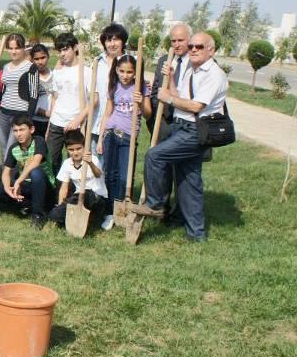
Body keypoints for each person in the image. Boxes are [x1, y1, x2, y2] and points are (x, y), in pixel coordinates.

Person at [131, 32, 228, 242]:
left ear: (211, 50)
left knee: (154, 156)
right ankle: (196, 234)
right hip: (181, 126)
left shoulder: (214, 74)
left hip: (195, 131)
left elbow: (196, 105)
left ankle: (154, 203)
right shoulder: (192, 70)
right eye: (191, 46)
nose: (193, 49)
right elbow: (180, 95)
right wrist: (171, 79)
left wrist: (168, 99)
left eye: (199, 47)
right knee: (189, 183)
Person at [96, 54, 151, 230]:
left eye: (130, 72)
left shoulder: (141, 87)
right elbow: (107, 113)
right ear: (117, 71)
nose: (125, 75)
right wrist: (101, 136)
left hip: (129, 136)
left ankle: (121, 209)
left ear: (136, 72)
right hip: (111, 133)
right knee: (110, 173)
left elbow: (148, 114)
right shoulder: (114, 86)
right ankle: (110, 211)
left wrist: (141, 102)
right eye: (122, 71)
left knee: (124, 176)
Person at [147, 24, 192, 225]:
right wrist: (159, 111)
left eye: (180, 40)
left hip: (186, 123)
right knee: (160, 166)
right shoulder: (165, 60)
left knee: (183, 171)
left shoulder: (195, 63)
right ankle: (160, 209)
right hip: (165, 121)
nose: (176, 44)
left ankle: (180, 213)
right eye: (173, 41)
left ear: (189, 40)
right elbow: (157, 87)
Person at [0, 115, 54, 228]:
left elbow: (35, 162)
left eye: (22, 129)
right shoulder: (14, 148)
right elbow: (6, 172)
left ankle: (38, 215)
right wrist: (8, 188)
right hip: (27, 185)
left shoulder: (39, 141)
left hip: (44, 185)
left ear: (31, 130)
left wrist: (18, 181)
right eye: (15, 130)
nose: (18, 134)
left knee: (35, 173)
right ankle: (28, 205)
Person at [46, 33, 92, 173]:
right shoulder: (58, 72)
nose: (62, 54)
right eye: (59, 50)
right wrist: (49, 125)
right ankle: (52, 192)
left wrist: (78, 119)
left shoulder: (87, 72)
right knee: (51, 161)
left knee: (74, 163)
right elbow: (54, 98)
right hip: (56, 122)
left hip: (75, 125)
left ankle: (70, 193)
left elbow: (94, 100)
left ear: (75, 48)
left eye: (65, 49)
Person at [48, 130, 107, 228]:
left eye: (78, 148)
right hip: (77, 198)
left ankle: (92, 217)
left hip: (96, 198)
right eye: (71, 150)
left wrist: (90, 163)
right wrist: (60, 206)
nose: (75, 152)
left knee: (85, 194)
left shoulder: (93, 159)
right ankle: (66, 215)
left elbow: (98, 174)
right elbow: (64, 188)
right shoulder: (67, 163)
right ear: (66, 149)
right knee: (53, 214)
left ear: (84, 147)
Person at [90, 24, 129, 154]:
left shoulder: (131, 63)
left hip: (119, 126)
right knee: (94, 166)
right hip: (95, 122)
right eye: (108, 40)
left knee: (112, 170)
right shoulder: (97, 62)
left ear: (123, 41)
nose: (112, 44)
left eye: (116, 39)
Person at [0, 33, 32, 162]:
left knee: (12, 149)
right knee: (4, 149)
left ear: (23, 49)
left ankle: (9, 179)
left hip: (20, 114)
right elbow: (2, 89)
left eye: (17, 48)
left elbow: (34, 95)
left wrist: (28, 117)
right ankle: (8, 179)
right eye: (10, 48)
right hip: (3, 113)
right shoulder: (5, 67)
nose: (13, 51)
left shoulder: (30, 67)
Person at [18, 43, 52, 136]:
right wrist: (44, 112)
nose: (40, 62)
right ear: (32, 60)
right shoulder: (29, 78)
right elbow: (26, 101)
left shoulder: (55, 75)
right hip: (34, 121)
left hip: (52, 123)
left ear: (48, 56)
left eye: (43, 57)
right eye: (36, 59)